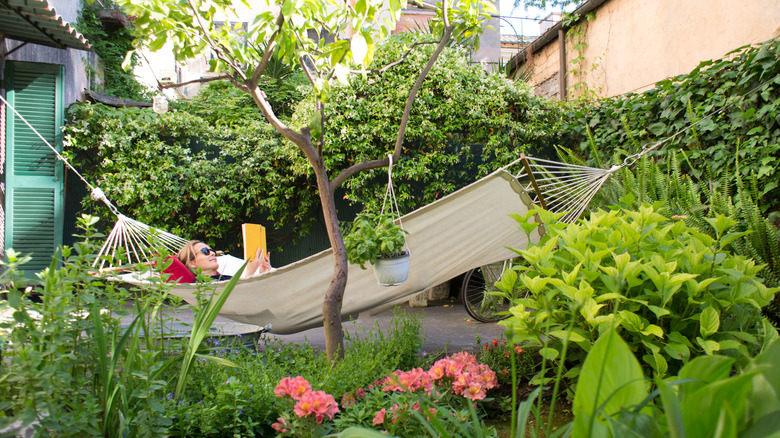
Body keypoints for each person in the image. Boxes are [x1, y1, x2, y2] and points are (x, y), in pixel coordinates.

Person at [176, 240, 272, 281]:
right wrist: (250, 272)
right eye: (205, 251)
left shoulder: (224, 279)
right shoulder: (201, 286)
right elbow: (234, 298)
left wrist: (263, 274)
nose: (213, 253)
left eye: (211, 250)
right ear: (192, 263)